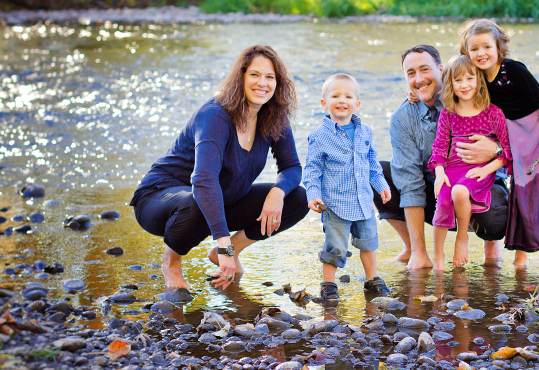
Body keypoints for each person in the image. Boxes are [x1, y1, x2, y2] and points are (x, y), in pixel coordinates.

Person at [130, 45, 309, 290]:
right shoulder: (215, 115)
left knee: (296, 197)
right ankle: (171, 262)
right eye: (254, 75)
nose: (262, 83)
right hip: (160, 198)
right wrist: (223, 241)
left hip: (220, 200)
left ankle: (230, 252)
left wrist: (277, 192)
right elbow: (203, 181)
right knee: (196, 199)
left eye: (270, 77)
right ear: (241, 77)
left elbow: (292, 167)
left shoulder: (273, 116)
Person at [459, 18, 539, 269]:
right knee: (521, 191)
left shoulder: (514, 70)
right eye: (474, 49)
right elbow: (452, 86)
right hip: (519, 140)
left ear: (499, 48)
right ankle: (521, 255)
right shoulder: (475, 79)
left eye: (487, 47)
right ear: (467, 52)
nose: (481, 53)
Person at [373, 45, 509, 270]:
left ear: (442, 70)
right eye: (411, 73)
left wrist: (494, 149)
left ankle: (491, 246)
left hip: (478, 184)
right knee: (376, 174)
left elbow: (511, 142)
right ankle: (415, 250)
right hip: (435, 189)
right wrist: (418, 252)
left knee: (495, 216)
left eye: (425, 70)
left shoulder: (467, 95)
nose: (419, 79)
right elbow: (410, 182)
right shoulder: (402, 118)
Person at [303, 73, 392, 302]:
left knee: (369, 240)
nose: (342, 100)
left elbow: (372, 161)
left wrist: (380, 184)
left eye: (348, 96)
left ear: (357, 103)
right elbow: (312, 169)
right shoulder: (319, 136)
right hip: (335, 203)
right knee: (335, 246)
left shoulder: (365, 131)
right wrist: (313, 194)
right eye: (335, 96)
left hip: (363, 200)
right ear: (324, 103)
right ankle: (328, 284)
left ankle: (372, 279)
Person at [429, 56, 512, 270]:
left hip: (479, 171)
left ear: (479, 80)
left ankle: (462, 238)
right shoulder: (448, 113)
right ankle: (438, 258)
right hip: (451, 170)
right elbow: (439, 148)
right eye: (458, 80)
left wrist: (486, 169)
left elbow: (506, 152)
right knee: (443, 201)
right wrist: (439, 172)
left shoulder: (493, 113)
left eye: (470, 78)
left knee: (459, 192)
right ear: (450, 84)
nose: (464, 85)